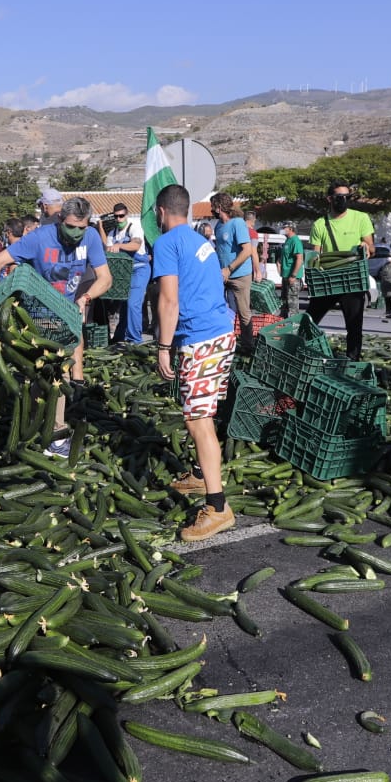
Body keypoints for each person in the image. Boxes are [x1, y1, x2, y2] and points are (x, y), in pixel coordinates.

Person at [0, 195, 112, 458]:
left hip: (65, 318)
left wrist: (86, 297)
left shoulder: (91, 238)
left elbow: (105, 278)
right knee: (37, 378)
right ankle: (37, 430)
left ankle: (48, 433)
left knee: (54, 377)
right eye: (71, 226)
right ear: (60, 219)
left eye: (82, 227)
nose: (76, 233)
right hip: (34, 318)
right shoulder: (39, 238)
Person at [151, 183, 239, 542]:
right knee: (204, 413)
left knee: (197, 420)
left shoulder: (166, 243)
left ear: (160, 212)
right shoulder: (201, 240)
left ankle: (217, 508)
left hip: (201, 339)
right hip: (220, 332)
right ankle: (203, 476)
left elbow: (168, 301)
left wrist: (162, 346)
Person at [305, 182, 375, 360]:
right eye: (339, 197)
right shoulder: (320, 224)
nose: (343, 200)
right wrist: (312, 272)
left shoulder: (361, 218)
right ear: (330, 199)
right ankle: (301, 353)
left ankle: (352, 361)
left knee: (354, 326)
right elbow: (315, 254)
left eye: (347, 197)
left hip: (353, 279)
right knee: (309, 322)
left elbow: (371, 247)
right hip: (328, 280)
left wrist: (365, 246)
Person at [209, 193, 255, 344]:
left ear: (219, 207)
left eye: (212, 206)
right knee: (216, 308)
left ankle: (248, 346)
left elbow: (247, 250)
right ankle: (222, 341)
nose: (211, 209)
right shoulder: (219, 226)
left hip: (240, 275)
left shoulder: (237, 223)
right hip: (222, 275)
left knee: (243, 313)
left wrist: (229, 268)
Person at [104, 202, 149, 344]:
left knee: (133, 304)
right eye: (116, 217)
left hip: (139, 269)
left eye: (121, 216)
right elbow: (108, 249)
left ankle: (135, 339)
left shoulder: (134, 228)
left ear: (127, 215)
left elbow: (136, 244)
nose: (119, 219)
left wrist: (120, 246)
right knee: (123, 305)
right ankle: (119, 336)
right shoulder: (112, 233)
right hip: (123, 273)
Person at [277, 220, 306, 317]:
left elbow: (299, 259)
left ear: (290, 229)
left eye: (284, 228)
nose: (282, 230)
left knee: (292, 305)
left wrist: (293, 275)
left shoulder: (295, 241)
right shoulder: (287, 240)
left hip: (292, 278)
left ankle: (294, 327)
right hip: (286, 276)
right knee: (284, 303)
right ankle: (282, 325)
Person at [377, 250, 391, 321]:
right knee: (387, 299)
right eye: (388, 256)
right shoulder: (385, 265)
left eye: (390, 257)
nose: (388, 258)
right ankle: (388, 312)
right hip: (386, 285)